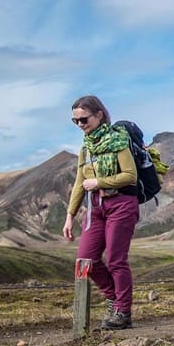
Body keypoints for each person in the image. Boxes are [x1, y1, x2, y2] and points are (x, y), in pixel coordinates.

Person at [62, 95, 139, 330]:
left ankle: (123, 312)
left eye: (84, 119)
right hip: (95, 208)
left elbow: (130, 175)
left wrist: (99, 182)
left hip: (121, 204)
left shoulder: (118, 141)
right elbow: (78, 183)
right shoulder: (85, 148)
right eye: (75, 121)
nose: (80, 125)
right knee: (87, 259)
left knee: (116, 260)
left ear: (99, 115)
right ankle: (114, 298)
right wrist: (70, 215)